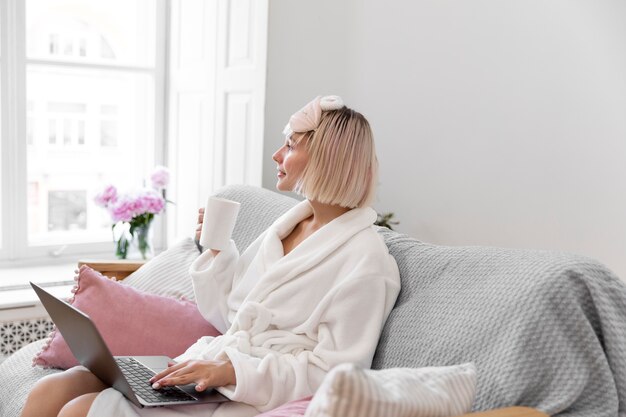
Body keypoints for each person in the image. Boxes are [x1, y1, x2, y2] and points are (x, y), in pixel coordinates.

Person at [21, 95, 401, 417]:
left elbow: (336, 375)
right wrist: (218, 252)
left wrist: (230, 371)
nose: (276, 154)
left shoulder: (366, 262)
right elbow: (231, 317)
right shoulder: (287, 227)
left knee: (80, 409)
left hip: (246, 394)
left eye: (290, 144)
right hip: (208, 371)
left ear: (324, 156)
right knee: (53, 390)